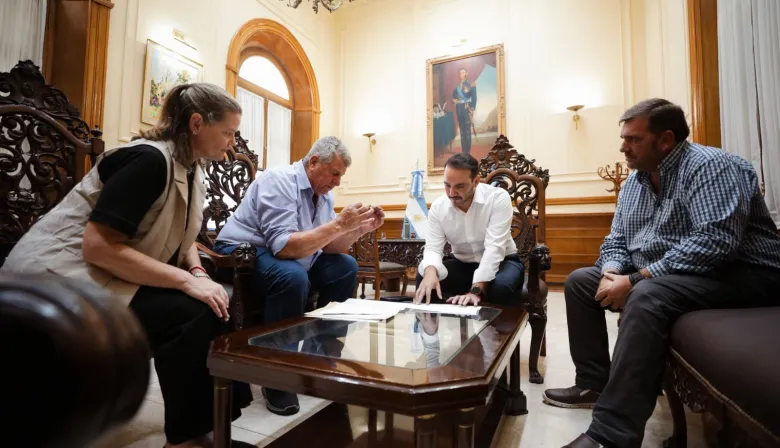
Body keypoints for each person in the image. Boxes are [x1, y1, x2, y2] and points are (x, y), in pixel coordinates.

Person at [1, 83, 255, 448]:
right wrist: (185, 284)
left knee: (212, 305)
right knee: (191, 313)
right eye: (228, 132)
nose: (231, 143)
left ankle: (206, 427)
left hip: (107, 273)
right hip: (56, 279)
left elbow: (184, 242)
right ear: (197, 123)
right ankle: (186, 439)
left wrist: (197, 273)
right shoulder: (148, 160)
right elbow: (99, 247)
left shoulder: (190, 168)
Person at [544, 98, 780, 448]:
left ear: (665, 140)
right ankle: (594, 382)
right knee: (580, 282)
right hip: (679, 273)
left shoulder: (712, 166)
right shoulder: (634, 183)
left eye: (633, 139)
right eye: (624, 138)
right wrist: (611, 272)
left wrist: (637, 279)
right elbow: (616, 240)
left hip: (745, 272)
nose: (623, 146)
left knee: (646, 295)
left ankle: (610, 437)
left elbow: (715, 242)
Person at [213, 136, 384, 416]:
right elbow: (283, 246)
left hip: (287, 253)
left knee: (346, 267)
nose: (338, 182)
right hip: (243, 251)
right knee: (292, 277)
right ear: (314, 162)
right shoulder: (279, 180)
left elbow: (330, 247)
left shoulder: (324, 194)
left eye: (341, 175)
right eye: (335, 173)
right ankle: (277, 376)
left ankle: (323, 360)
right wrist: (339, 223)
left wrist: (358, 229)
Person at [414, 153, 525, 306]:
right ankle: (437, 328)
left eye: (460, 186)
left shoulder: (498, 198)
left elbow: (495, 249)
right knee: (426, 278)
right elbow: (433, 247)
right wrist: (430, 272)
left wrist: (476, 290)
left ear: (476, 181)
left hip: (503, 262)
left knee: (500, 288)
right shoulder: (438, 207)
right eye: (447, 185)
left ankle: (497, 330)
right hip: (462, 263)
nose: (452, 194)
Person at [452, 68, 477, 154]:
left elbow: (474, 97)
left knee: (467, 131)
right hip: (459, 109)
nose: (462, 74)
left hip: (467, 108)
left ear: (466, 73)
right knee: (462, 131)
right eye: (460, 73)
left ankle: (467, 152)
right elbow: (453, 97)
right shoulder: (457, 86)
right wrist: (454, 100)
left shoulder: (471, 84)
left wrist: (472, 108)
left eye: (463, 72)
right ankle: (463, 152)